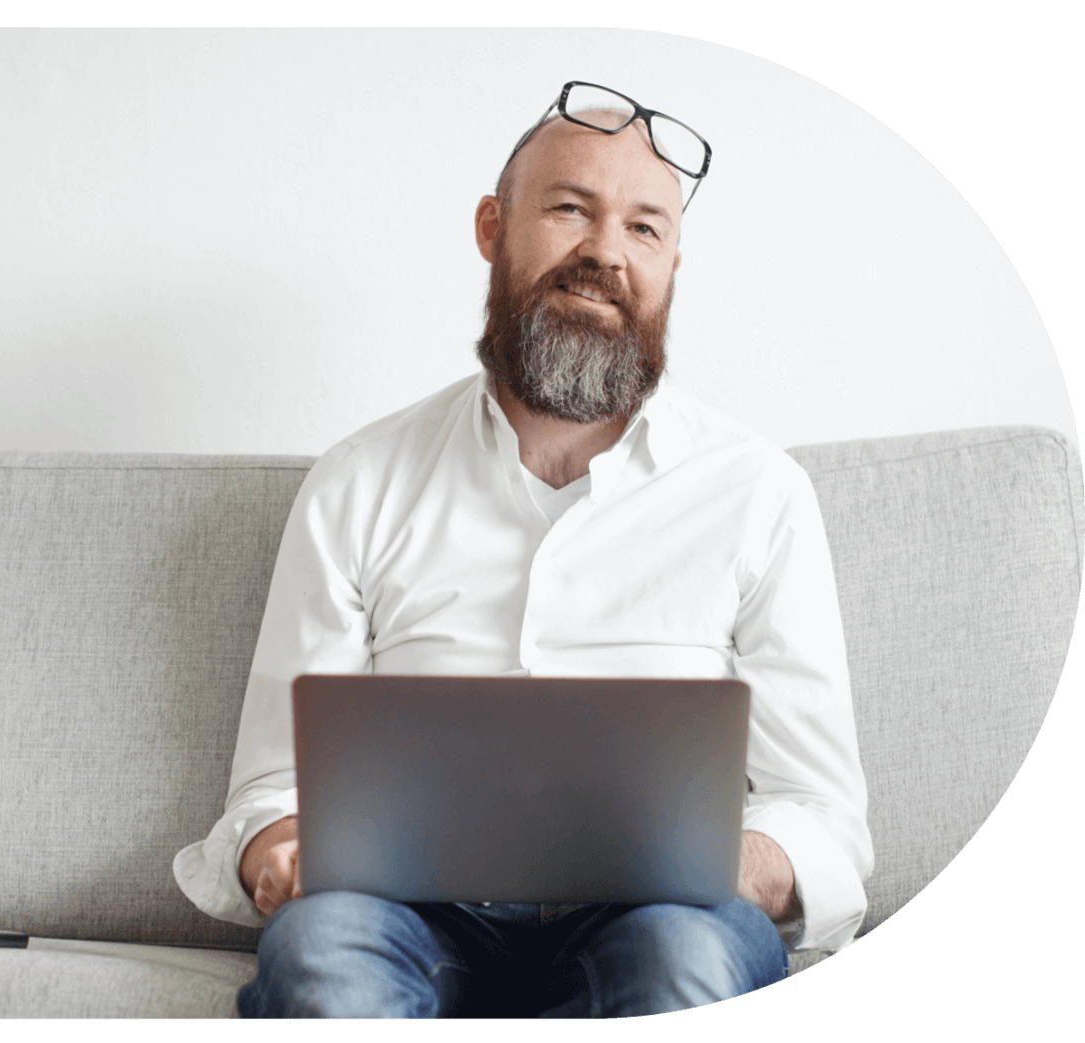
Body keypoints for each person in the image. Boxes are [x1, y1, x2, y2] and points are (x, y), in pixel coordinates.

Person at [173, 82, 873, 1018]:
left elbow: (823, 818)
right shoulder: (358, 481)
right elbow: (271, 785)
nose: (605, 253)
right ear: (492, 227)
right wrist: (279, 847)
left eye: (645, 229)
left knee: (683, 962)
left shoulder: (760, 496)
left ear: (672, 266)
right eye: (571, 209)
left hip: (660, 911)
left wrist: (723, 862)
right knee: (324, 957)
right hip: (407, 912)